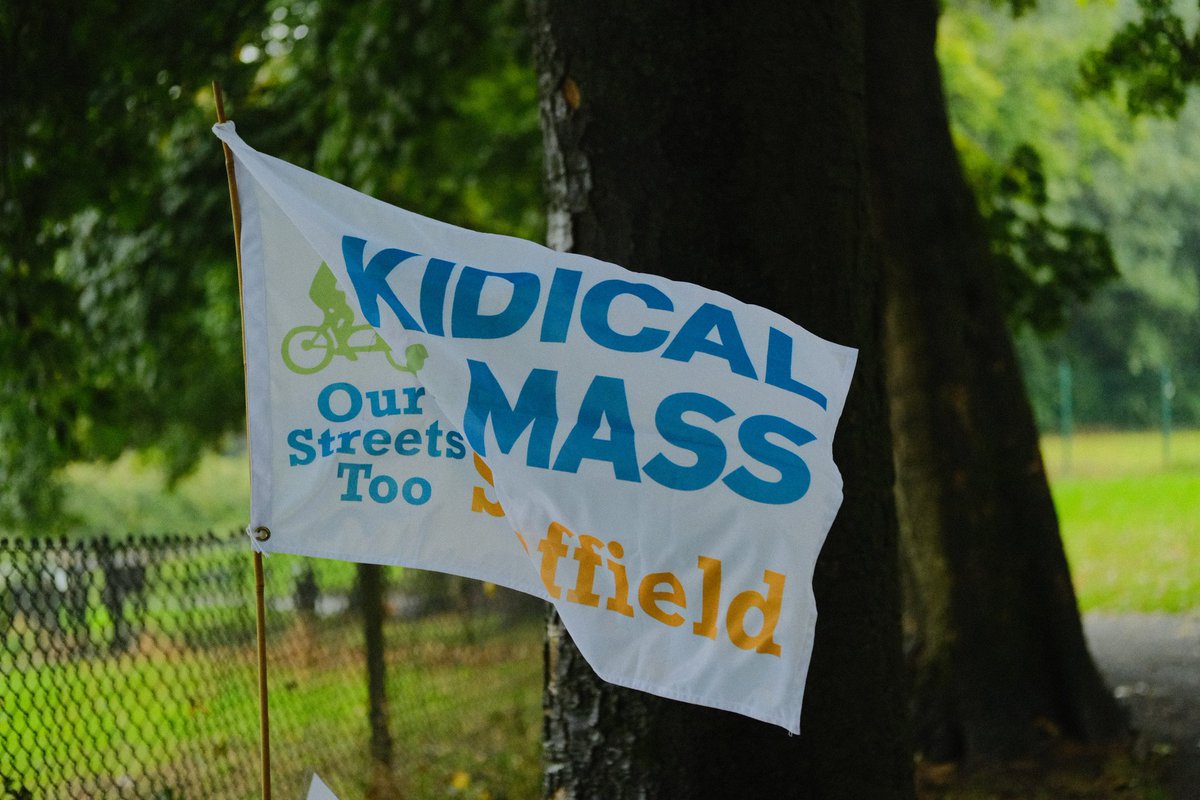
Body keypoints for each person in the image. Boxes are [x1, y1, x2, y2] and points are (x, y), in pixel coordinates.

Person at [308, 262, 357, 359]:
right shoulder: (338, 260)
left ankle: (341, 342)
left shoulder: (335, 258)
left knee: (341, 314)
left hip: (324, 291)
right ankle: (342, 344)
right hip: (322, 293)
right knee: (348, 315)